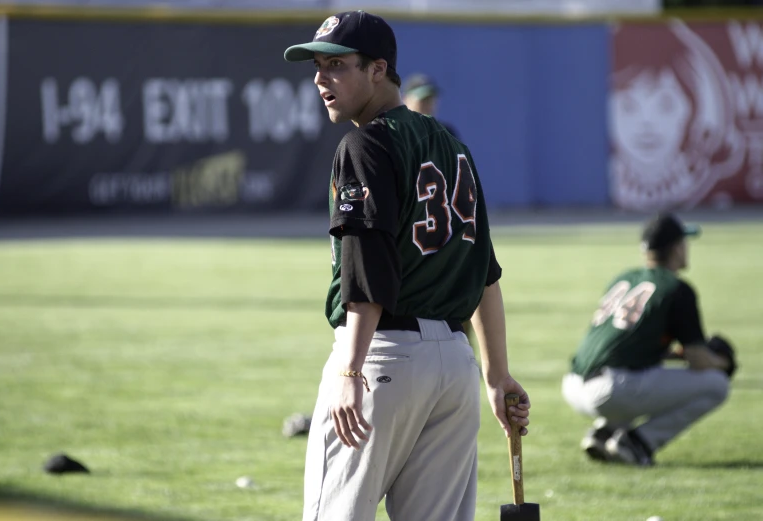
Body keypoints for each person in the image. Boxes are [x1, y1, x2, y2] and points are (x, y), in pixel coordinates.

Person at [283, 11, 530, 521]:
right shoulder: (452, 145)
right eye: (317, 66)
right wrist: (496, 372)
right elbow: (485, 271)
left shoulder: (365, 143)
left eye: (335, 65)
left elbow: (367, 266)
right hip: (456, 370)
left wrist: (352, 366)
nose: (320, 79)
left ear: (378, 69)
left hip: (384, 359)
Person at [562, 213, 736, 467]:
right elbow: (699, 360)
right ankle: (638, 442)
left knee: (646, 372)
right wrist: (723, 362)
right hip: (611, 391)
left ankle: (605, 432)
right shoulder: (676, 289)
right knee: (717, 384)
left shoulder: (624, 278)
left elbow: (631, 343)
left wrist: (675, 355)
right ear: (677, 248)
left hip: (573, 385)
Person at [402, 73, 461, 139]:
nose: (428, 105)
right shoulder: (395, 132)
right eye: (423, 100)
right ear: (405, 100)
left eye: (431, 100)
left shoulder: (447, 134)